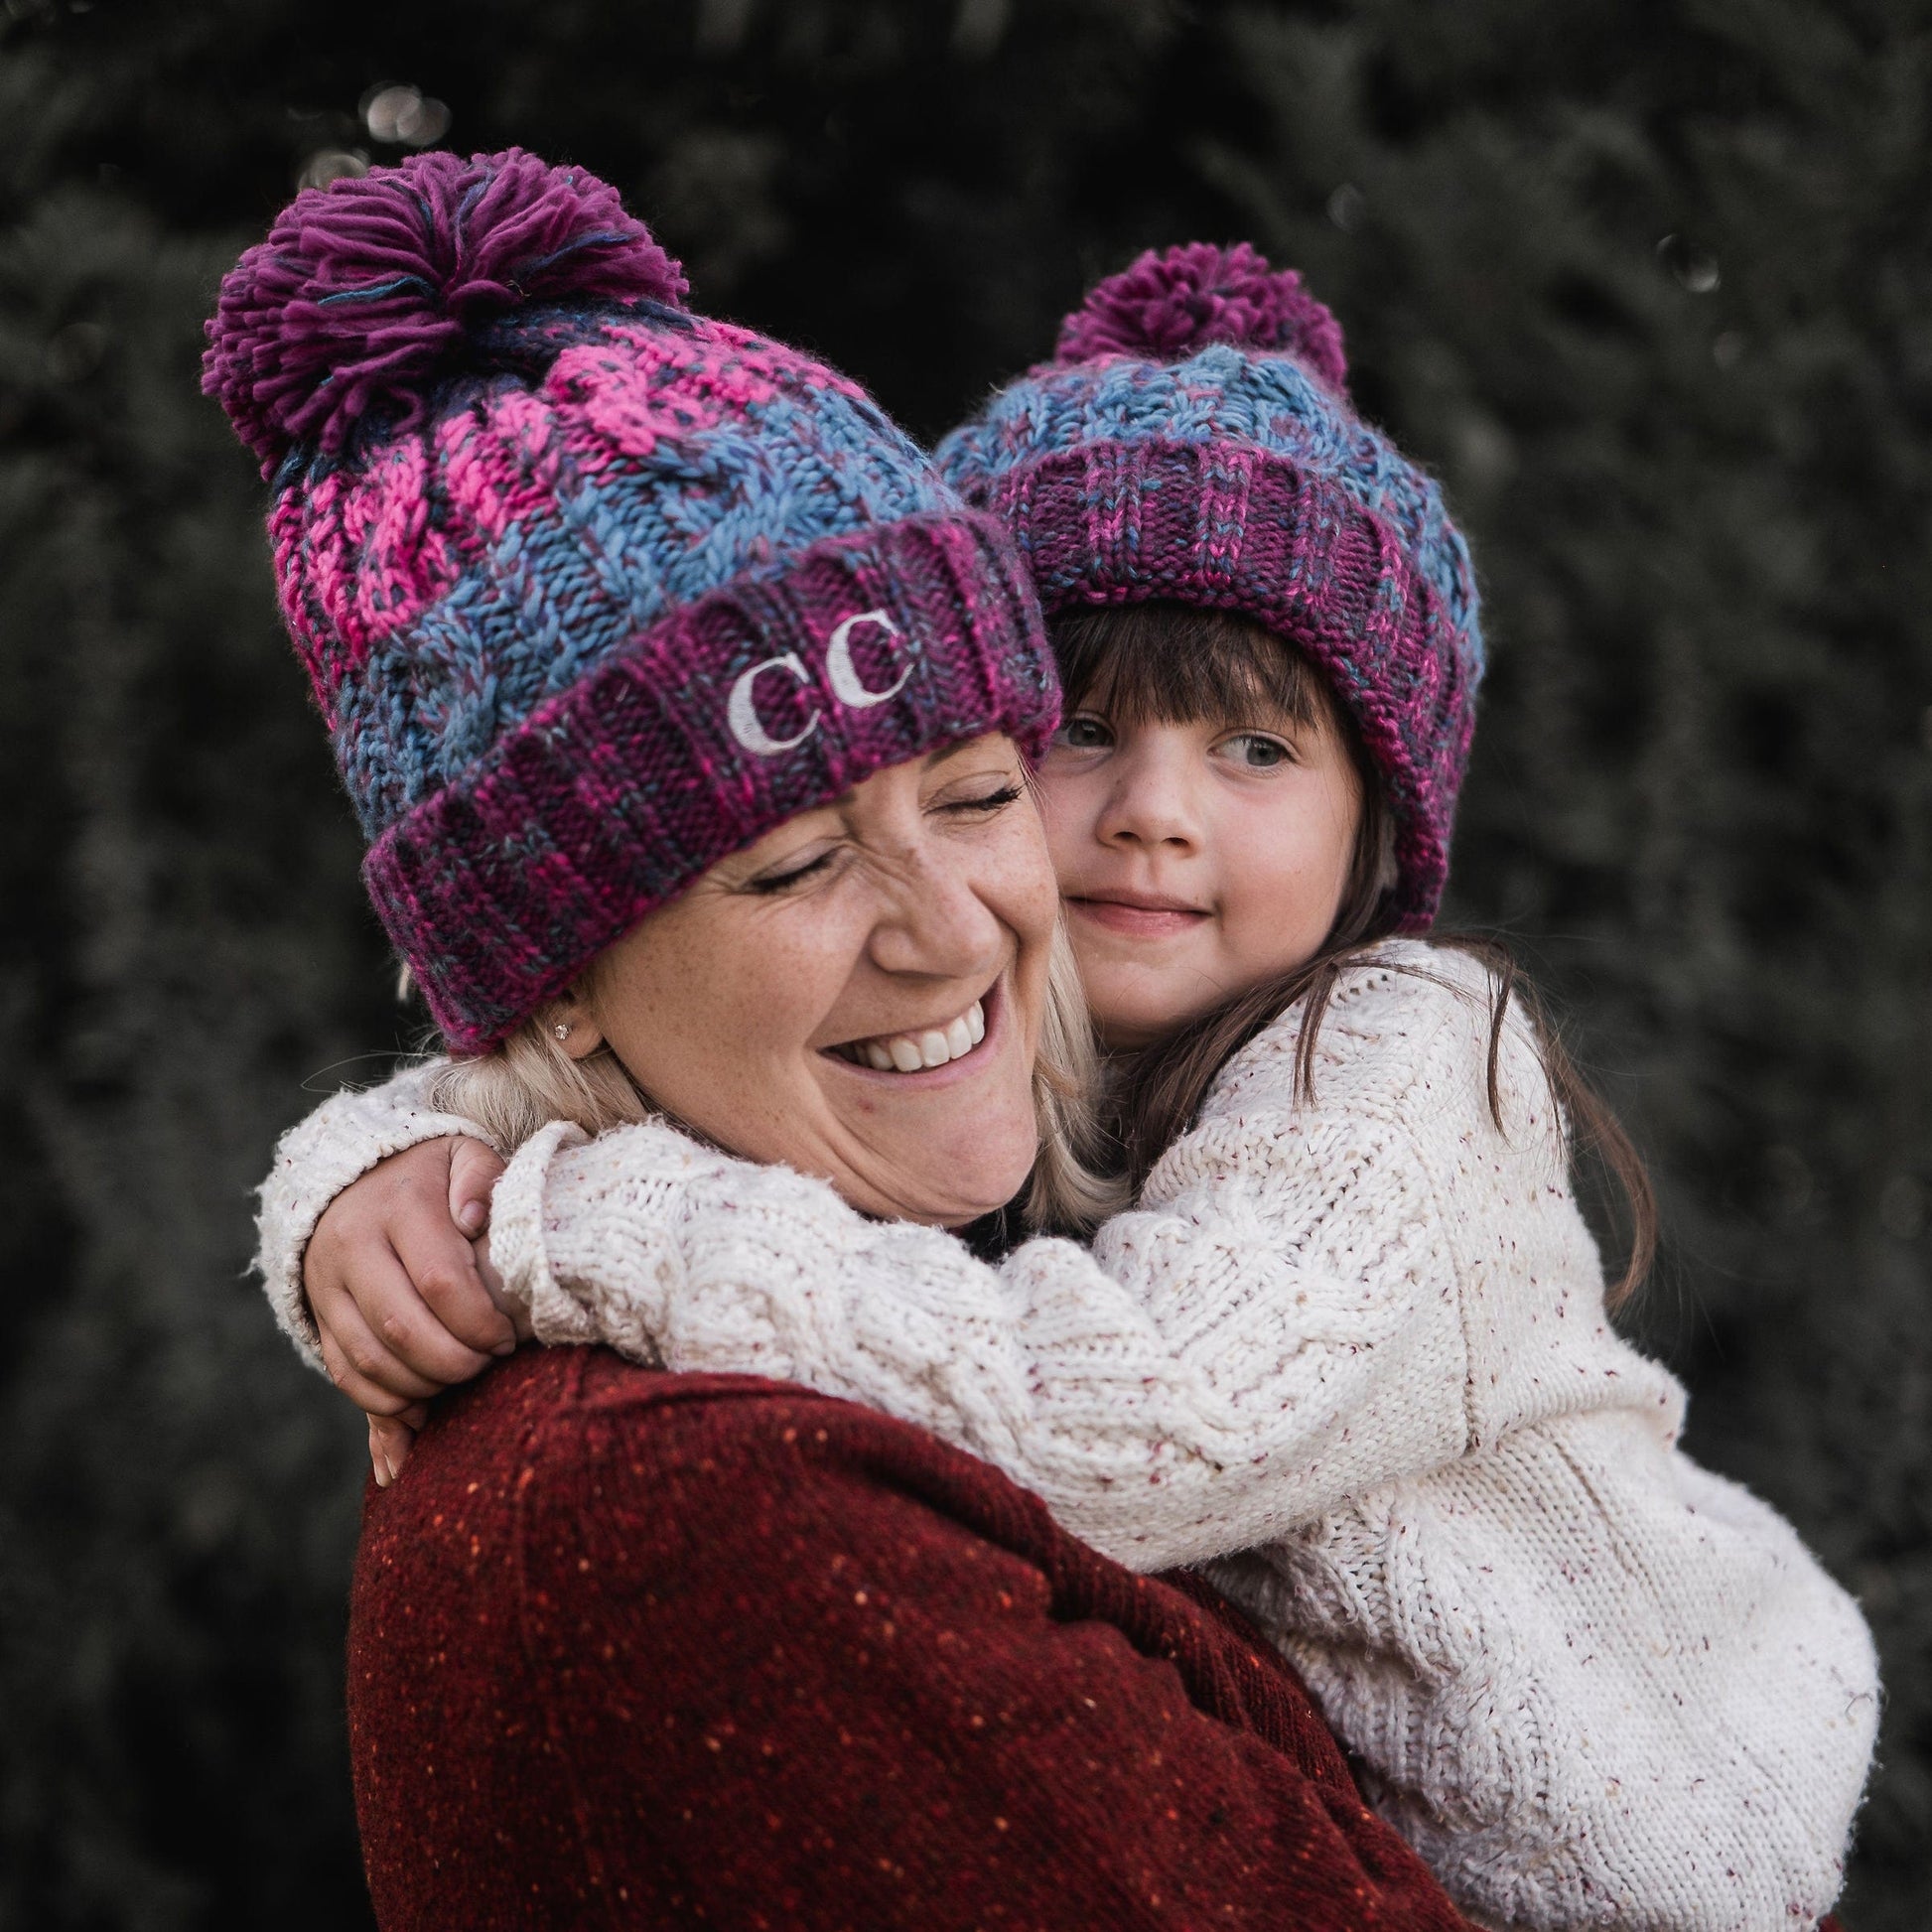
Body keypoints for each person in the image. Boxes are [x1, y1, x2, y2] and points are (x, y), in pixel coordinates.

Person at [268, 240, 1878, 1928]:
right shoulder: (987, 1072)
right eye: (1074, 733)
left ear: (1377, 831)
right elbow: (512, 1073)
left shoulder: (1397, 1060)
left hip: (1654, 1848)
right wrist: (369, 1186)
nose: (1151, 812)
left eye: (1255, 748)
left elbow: (1126, 1421)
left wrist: (563, 1218)